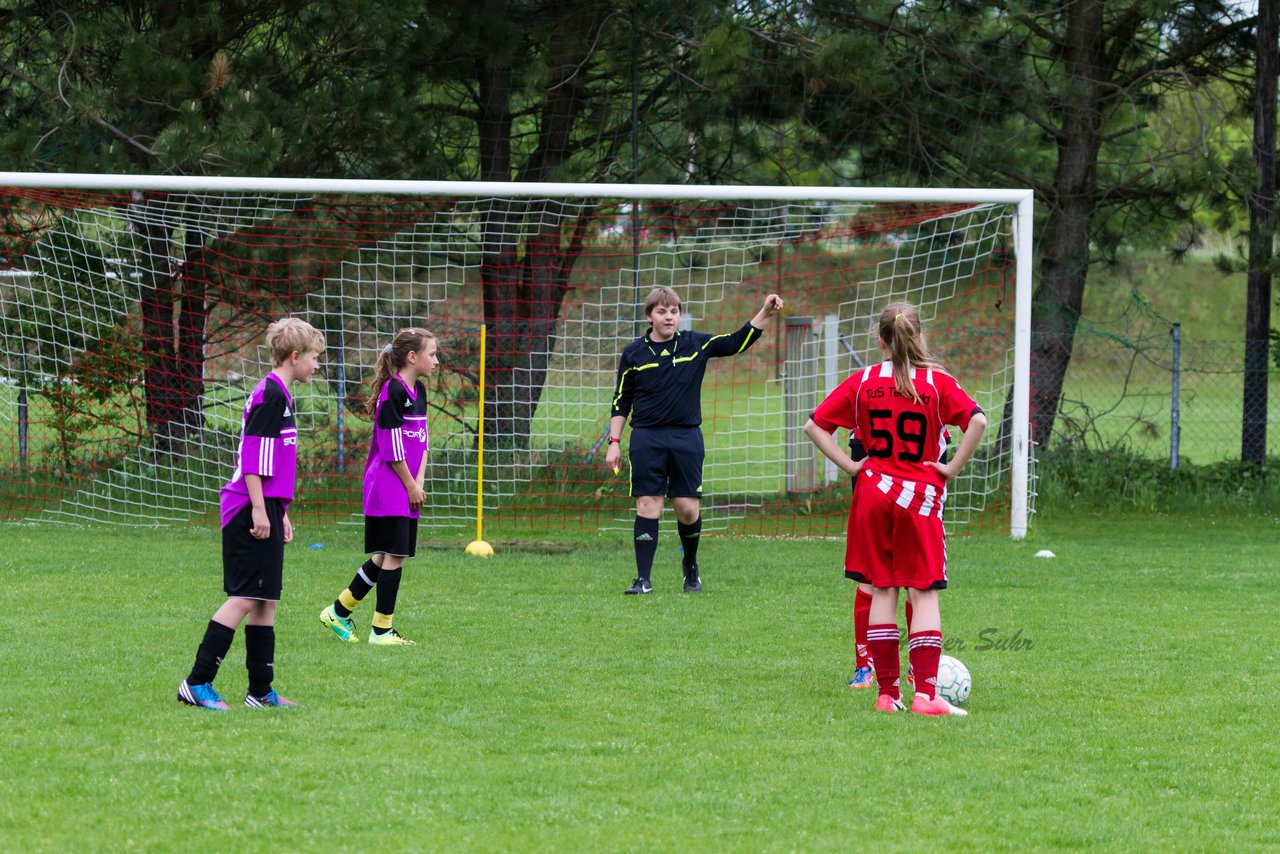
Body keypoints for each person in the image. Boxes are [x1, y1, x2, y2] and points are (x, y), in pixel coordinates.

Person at [804, 301, 986, 716]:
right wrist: (951, 468)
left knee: (882, 589)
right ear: (920, 336)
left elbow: (814, 425)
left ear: (880, 340)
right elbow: (977, 421)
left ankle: (887, 695)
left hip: (871, 494)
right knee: (923, 594)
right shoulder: (937, 383)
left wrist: (851, 464)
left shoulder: (864, 380)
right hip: (918, 496)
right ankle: (925, 694)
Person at [176, 317, 326, 710]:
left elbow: (275, 463)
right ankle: (196, 683)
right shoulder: (271, 395)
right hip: (246, 507)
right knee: (244, 596)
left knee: (265, 600)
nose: (317, 365)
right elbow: (253, 460)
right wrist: (260, 509)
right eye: (315, 358)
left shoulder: (282, 393)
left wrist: (279, 511)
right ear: (295, 356)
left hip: (266, 506)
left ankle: (260, 691)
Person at [606, 287, 784, 594]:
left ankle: (690, 567)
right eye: (662, 312)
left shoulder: (694, 344)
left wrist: (765, 313)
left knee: (687, 509)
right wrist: (614, 441)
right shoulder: (633, 352)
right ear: (650, 316)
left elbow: (735, 342)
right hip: (647, 437)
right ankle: (643, 580)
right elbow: (621, 401)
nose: (669, 317)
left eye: (674, 311)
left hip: (686, 437)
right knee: (648, 503)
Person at [321, 327, 439, 645]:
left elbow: (423, 442)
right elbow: (391, 448)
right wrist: (410, 484)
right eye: (432, 354)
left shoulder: (421, 393)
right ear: (412, 357)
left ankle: (338, 611)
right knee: (395, 554)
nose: (437, 361)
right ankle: (381, 631)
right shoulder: (393, 391)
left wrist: (420, 483)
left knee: (387, 553)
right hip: (389, 485)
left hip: (408, 485)